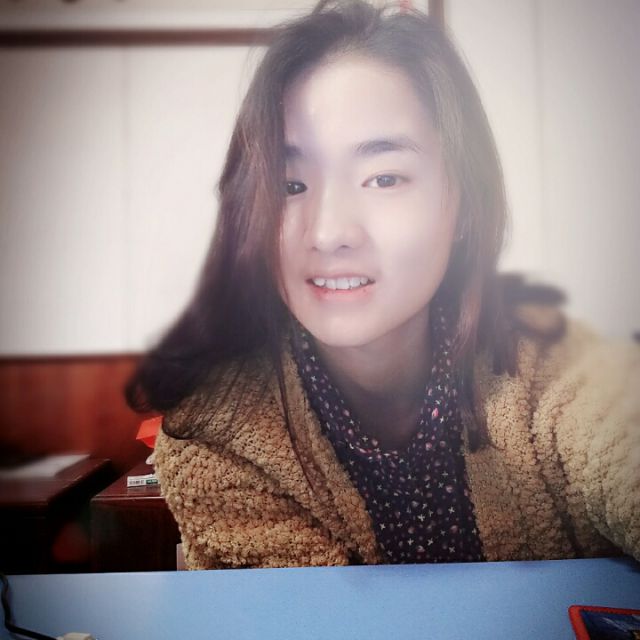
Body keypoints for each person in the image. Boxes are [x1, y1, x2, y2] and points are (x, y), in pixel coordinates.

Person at [126, 0, 639, 569]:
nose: (329, 233)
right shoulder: (219, 431)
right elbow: (294, 613)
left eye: (384, 178)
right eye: (291, 185)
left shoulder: (551, 366)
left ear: (465, 203)